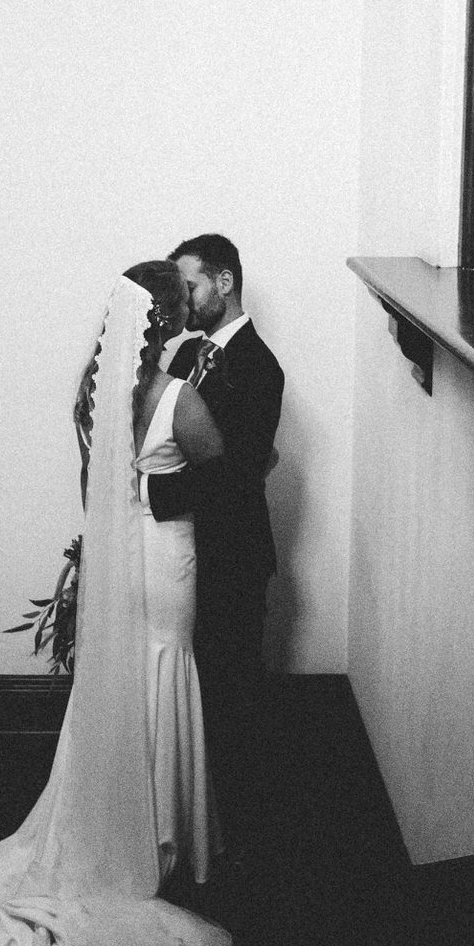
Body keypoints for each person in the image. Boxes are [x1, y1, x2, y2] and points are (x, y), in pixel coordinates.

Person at [0, 261, 233, 946]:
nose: (190, 300)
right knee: (168, 666)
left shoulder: (92, 396)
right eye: (179, 296)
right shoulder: (179, 398)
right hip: (165, 557)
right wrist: (165, 495)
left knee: (127, 677)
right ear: (159, 317)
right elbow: (223, 485)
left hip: (115, 561)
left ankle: (115, 819)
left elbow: (98, 489)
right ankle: (168, 836)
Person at [143, 234, 284, 862]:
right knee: (186, 694)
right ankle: (184, 817)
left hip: (233, 557)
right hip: (180, 558)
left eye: (191, 284)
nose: (183, 298)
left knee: (230, 697)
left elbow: (241, 470)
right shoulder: (185, 356)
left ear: (224, 284)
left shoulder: (260, 367)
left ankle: (234, 843)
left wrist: (153, 494)